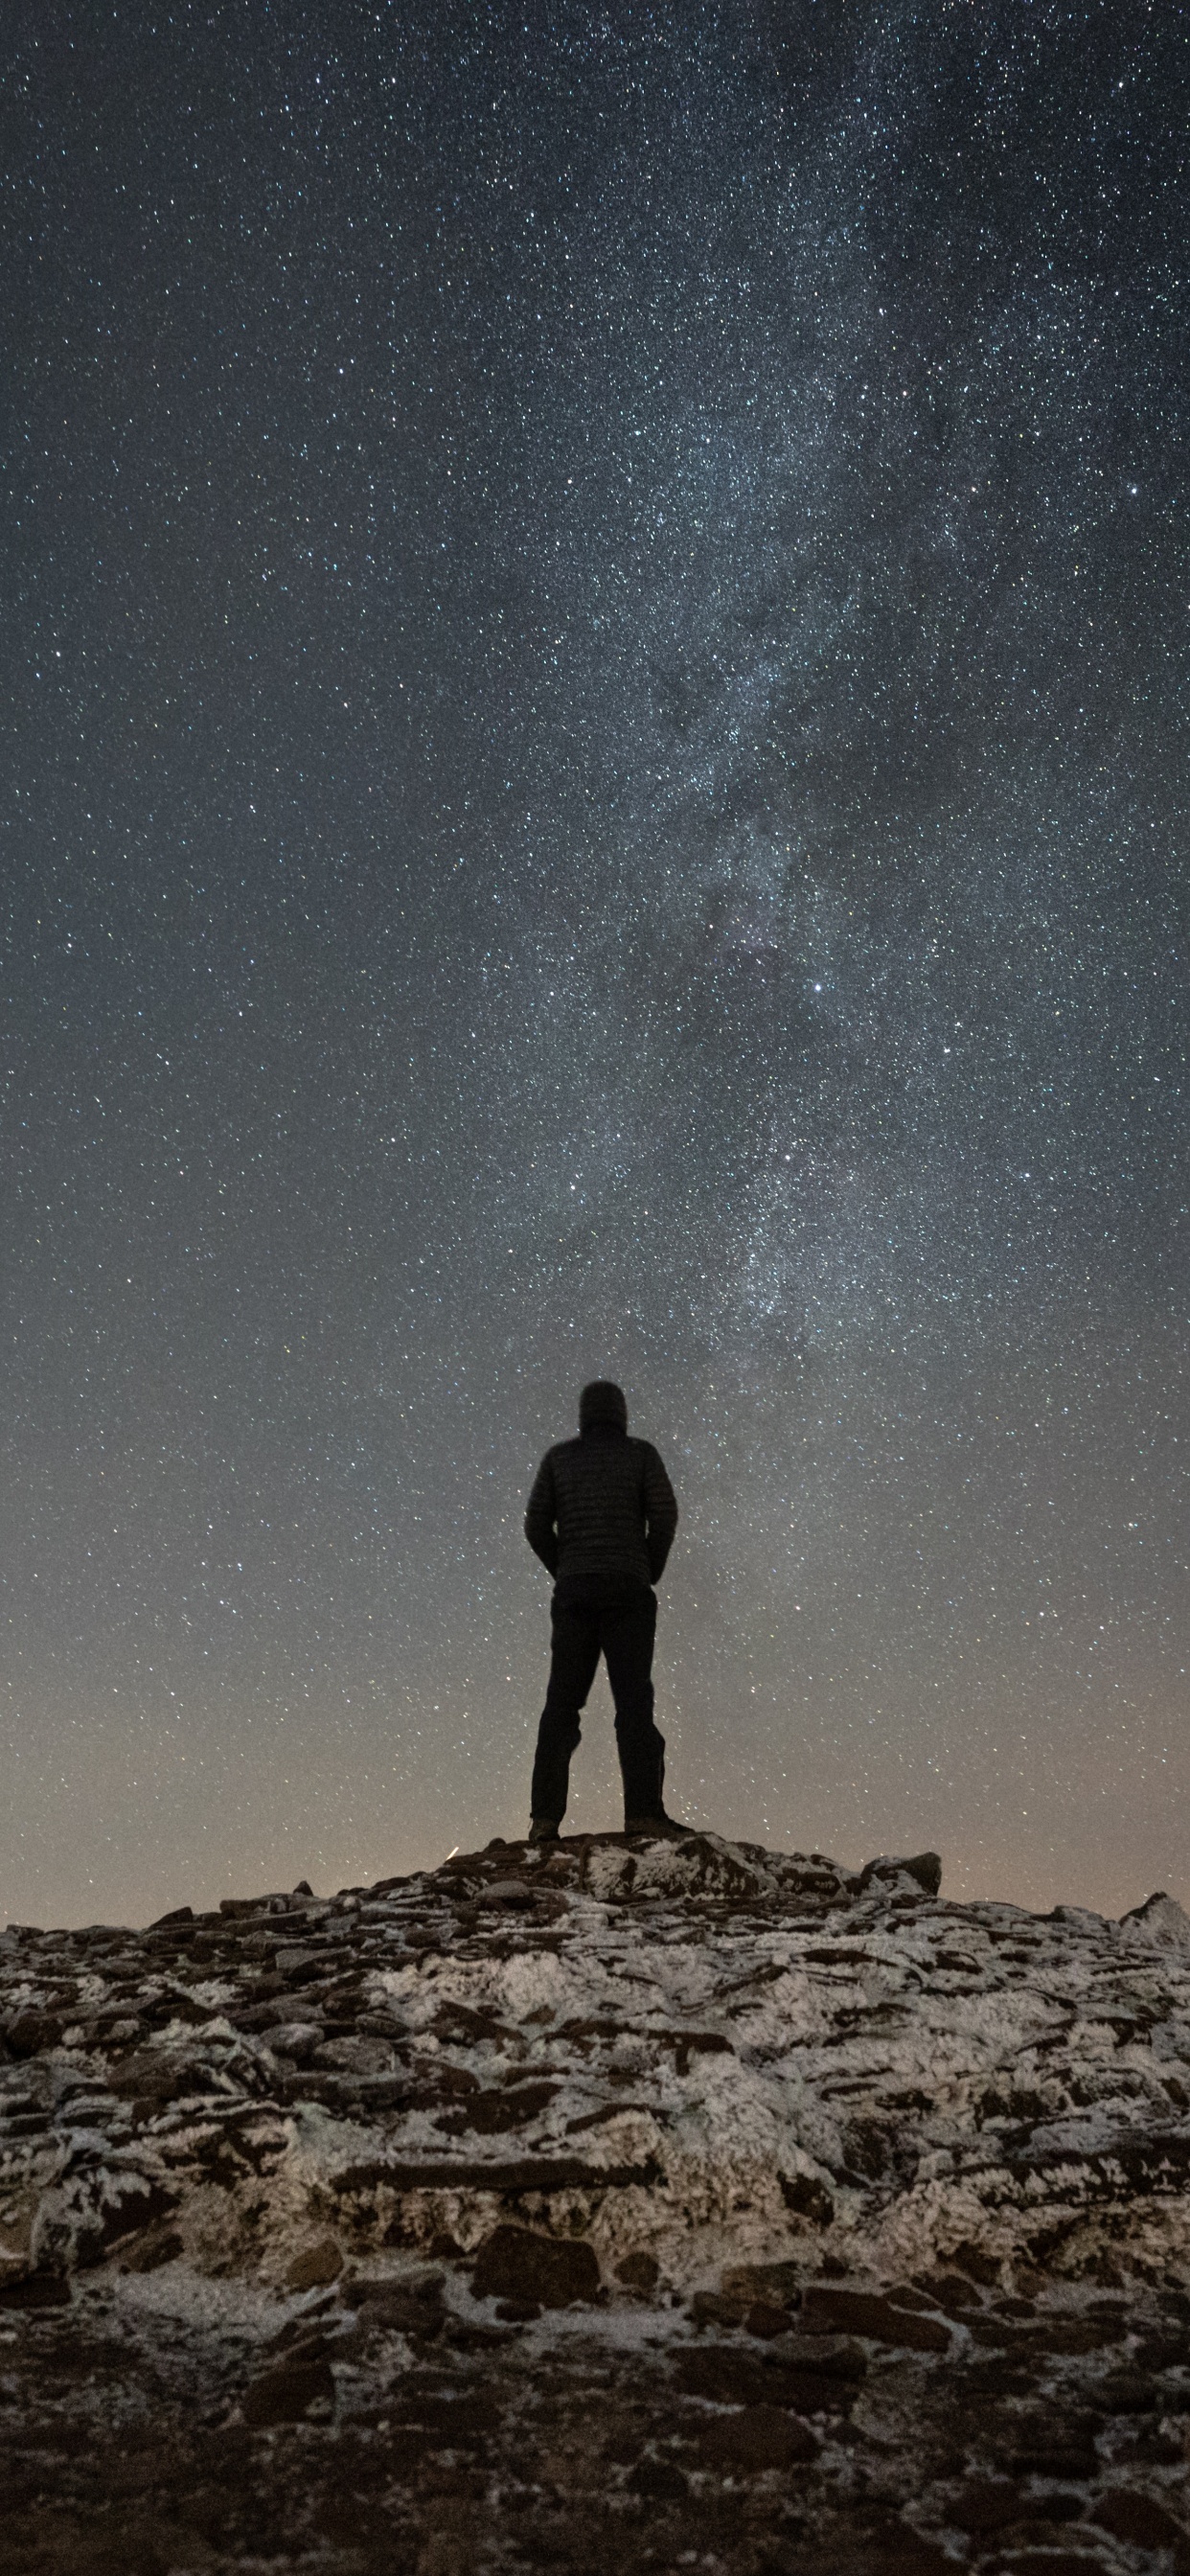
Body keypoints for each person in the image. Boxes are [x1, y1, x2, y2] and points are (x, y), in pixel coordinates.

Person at [523, 1379, 689, 1843]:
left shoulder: (559, 1458)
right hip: (627, 1591)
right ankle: (643, 1815)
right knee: (633, 1703)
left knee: (562, 1706)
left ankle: (544, 1821)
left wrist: (566, 1568)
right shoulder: (640, 1454)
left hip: (575, 1595)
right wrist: (647, 1566)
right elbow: (665, 1513)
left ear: (584, 1415)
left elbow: (535, 1525)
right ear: (621, 1414)